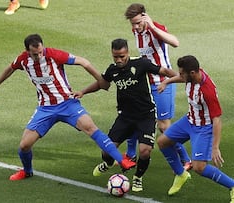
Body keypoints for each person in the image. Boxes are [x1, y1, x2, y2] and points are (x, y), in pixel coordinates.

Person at [0, 34, 136, 181]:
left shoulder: (53, 54)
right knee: (24, 145)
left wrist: (101, 80)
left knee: (91, 128)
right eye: (35, 54)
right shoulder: (23, 60)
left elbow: (83, 62)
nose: (39, 55)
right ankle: (27, 171)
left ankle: (121, 160)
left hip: (67, 104)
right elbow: (10, 68)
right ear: (27, 51)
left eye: (40, 51)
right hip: (45, 108)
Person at [73, 38, 177, 192]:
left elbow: (165, 71)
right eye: (116, 56)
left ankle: (138, 178)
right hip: (125, 117)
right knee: (106, 150)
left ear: (127, 52)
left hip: (146, 115)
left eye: (122, 56)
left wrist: (178, 79)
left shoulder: (141, 63)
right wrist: (83, 91)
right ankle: (108, 163)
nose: (119, 60)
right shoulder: (113, 70)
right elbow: (103, 84)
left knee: (144, 150)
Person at [156, 55, 234, 202]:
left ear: (192, 73)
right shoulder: (192, 76)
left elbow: (217, 119)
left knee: (199, 167)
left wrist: (215, 147)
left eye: (182, 73)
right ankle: (181, 174)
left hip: (204, 128)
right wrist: (167, 81)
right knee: (162, 142)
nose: (180, 75)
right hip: (189, 121)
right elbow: (180, 78)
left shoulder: (207, 91)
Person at [124, 3, 192, 170]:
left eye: (138, 22)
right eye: (133, 23)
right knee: (135, 115)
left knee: (163, 126)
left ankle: (186, 159)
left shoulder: (155, 28)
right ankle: (130, 154)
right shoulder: (136, 31)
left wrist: (153, 26)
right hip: (147, 83)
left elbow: (175, 43)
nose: (136, 26)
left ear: (145, 16)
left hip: (163, 83)